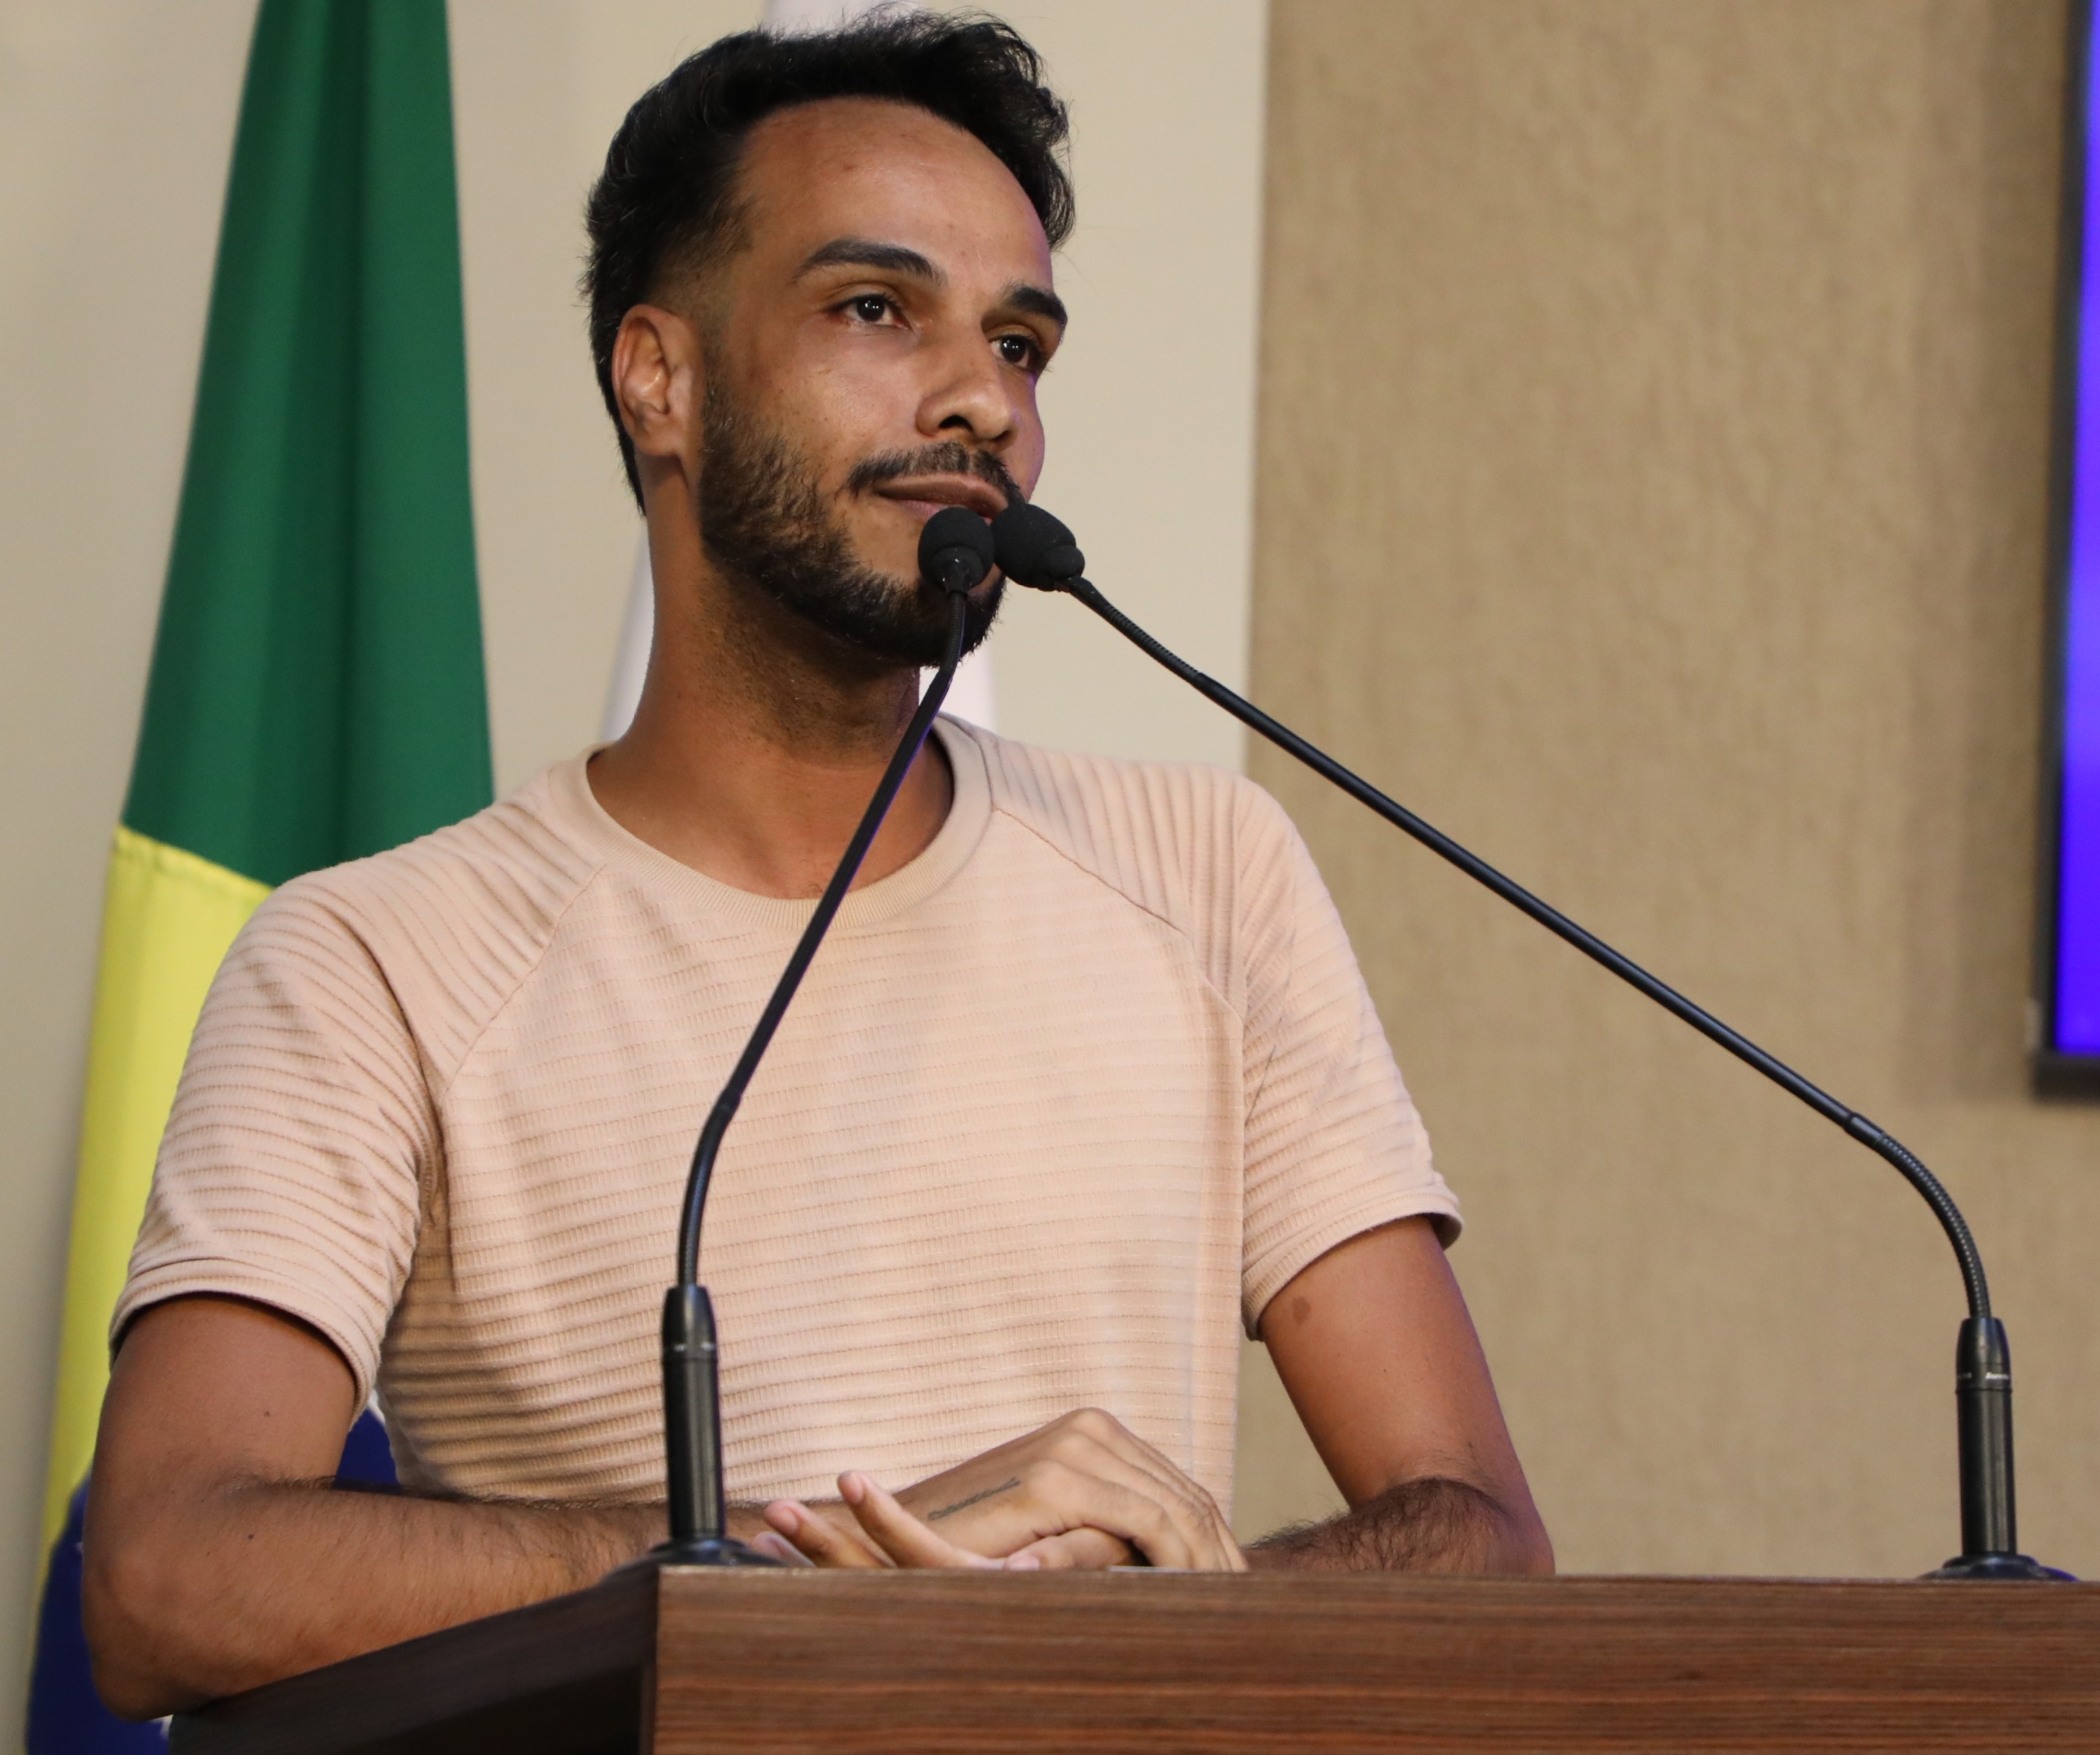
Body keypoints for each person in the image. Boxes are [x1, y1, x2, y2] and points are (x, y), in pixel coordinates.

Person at [83, 14, 1552, 1719]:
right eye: (874, 309)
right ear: (660, 378)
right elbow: (166, 1576)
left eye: (1019, 342)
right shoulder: (371, 957)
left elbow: (1476, 1532)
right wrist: (809, 1565)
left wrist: (1146, 1613)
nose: (980, 398)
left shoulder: (1207, 867)